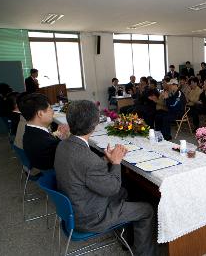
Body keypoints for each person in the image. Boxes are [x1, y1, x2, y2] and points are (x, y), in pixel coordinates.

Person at [54, 100, 155, 256]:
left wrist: (105, 160)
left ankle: (125, 238)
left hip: (73, 207)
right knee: (147, 209)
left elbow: (82, 170)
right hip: (90, 217)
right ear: (94, 125)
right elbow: (112, 187)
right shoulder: (89, 160)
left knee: (124, 192)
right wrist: (116, 162)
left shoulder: (63, 145)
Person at [20, 93, 69, 171]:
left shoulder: (29, 131)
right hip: (57, 175)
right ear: (40, 113)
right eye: (50, 108)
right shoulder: (47, 143)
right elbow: (68, 158)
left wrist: (60, 137)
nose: (53, 112)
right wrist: (66, 140)